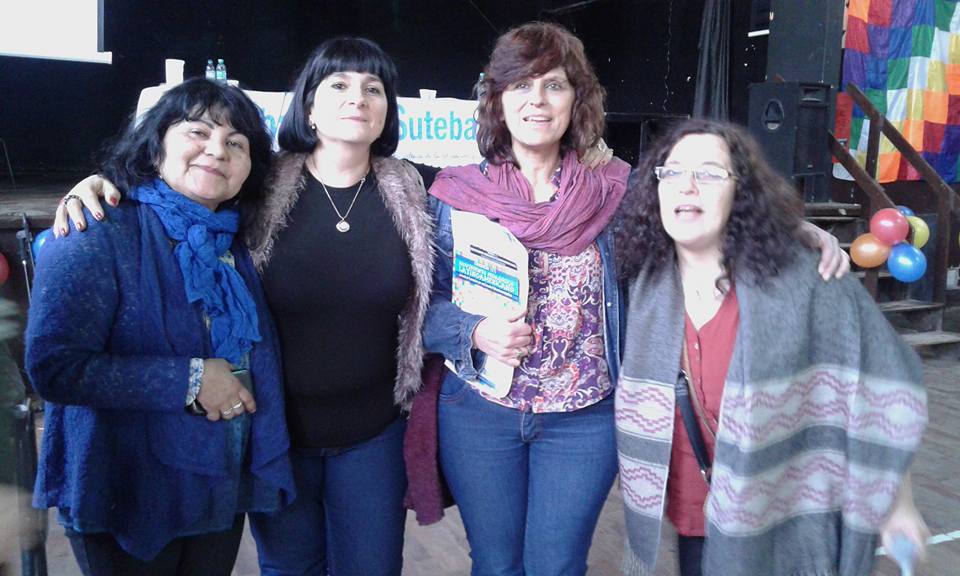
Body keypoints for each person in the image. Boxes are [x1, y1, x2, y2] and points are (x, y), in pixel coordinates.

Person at [421, 23, 849, 576]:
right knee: (496, 564)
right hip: (480, 413)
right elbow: (421, 309)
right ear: (498, 99)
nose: (537, 100)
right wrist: (474, 331)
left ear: (576, 99)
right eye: (521, 85)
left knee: (556, 564)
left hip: (584, 420)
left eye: (554, 85)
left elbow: (704, 226)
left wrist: (794, 231)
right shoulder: (455, 196)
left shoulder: (618, 191)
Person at [51, 37, 435, 576]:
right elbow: (178, 188)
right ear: (308, 107)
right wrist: (103, 183)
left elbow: (490, 185)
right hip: (274, 434)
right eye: (339, 85)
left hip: (373, 435)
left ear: (388, 110)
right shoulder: (262, 184)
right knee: (289, 568)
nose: (358, 98)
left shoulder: (417, 189)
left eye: (374, 89)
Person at [614, 118, 928, 576]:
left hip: (789, 514)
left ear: (741, 192)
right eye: (673, 171)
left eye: (709, 173)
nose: (688, 185)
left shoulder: (808, 279)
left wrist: (899, 504)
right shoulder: (643, 283)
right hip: (699, 510)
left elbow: (881, 385)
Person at [25, 78, 295, 576]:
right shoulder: (95, 228)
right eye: (198, 132)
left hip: (218, 481)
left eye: (236, 143)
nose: (217, 150)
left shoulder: (233, 240)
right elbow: (54, 369)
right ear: (155, 144)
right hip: (128, 490)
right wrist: (192, 379)